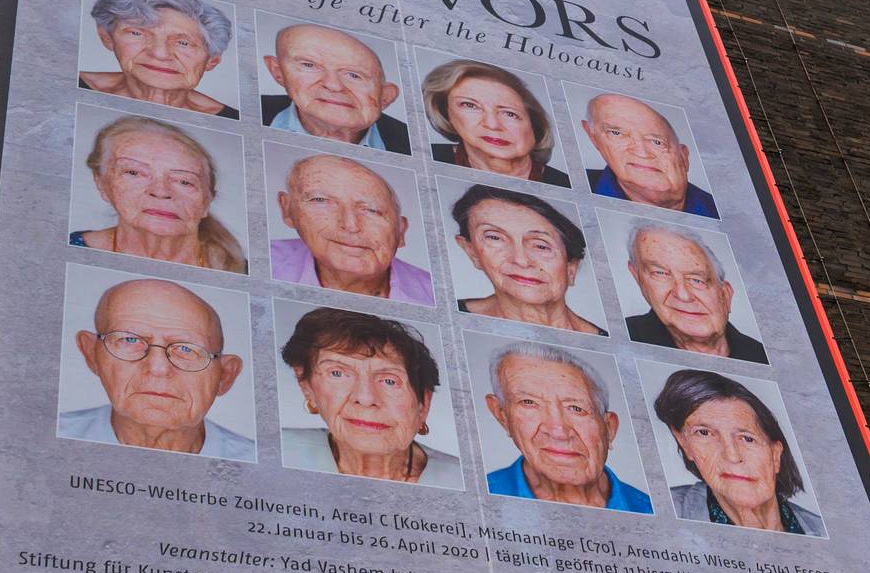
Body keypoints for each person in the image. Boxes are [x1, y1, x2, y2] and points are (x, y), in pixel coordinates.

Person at [59, 277, 253, 459]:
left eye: (186, 349)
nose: (158, 367)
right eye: (130, 339)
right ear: (92, 354)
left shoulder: (253, 459)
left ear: (225, 376)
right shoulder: (43, 434)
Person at [279, 306, 458, 485]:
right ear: (306, 385)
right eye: (337, 373)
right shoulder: (276, 449)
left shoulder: (458, 478)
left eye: (389, 381)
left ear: (424, 404)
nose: (365, 399)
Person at [480, 345, 652, 512]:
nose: (558, 432)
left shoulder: (647, 508)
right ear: (502, 415)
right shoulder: (479, 498)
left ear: (609, 428)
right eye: (529, 403)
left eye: (576, 408)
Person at [70, 115, 244, 273]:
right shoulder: (71, 248)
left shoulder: (239, 270)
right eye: (133, 173)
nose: (161, 192)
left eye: (184, 181)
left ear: (207, 201)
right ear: (101, 182)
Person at [652, 370, 820, 535]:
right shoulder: (658, 508)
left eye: (747, 439)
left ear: (776, 455)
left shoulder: (820, 528)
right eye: (704, 433)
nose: (732, 456)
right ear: (685, 443)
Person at [271, 154, 434, 306]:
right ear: (287, 209)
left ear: (400, 232)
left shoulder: (432, 293)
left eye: (372, 210)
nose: (351, 226)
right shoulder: (265, 260)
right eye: (321, 200)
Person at [450, 185, 603, 335]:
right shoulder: (451, 316)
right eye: (495, 238)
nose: (521, 261)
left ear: (571, 268)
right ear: (472, 252)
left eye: (541, 246)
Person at [79, 0, 239, 118]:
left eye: (183, 43)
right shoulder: (74, 84)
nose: (159, 54)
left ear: (212, 60)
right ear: (107, 38)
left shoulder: (232, 117)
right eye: (137, 33)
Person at [622, 223, 764, 363]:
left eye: (697, 280)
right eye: (660, 273)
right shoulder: (623, 335)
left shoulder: (760, 355)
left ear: (725, 295)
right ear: (637, 276)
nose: (683, 295)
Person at [261, 23, 411, 152]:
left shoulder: (410, 143)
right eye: (309, 65)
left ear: (385, 97)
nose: (333, 86)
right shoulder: (250, 110)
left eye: (354, 75)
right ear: (278, 72)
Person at [423, 60, 569, 186]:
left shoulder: (564, 184)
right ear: (446, 113)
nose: (492, 125)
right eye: (470, 105)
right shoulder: (426, 158)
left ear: (534, 126)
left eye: (509, 114)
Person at [582, 93, 714, 218]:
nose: (642, 153)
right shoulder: (578, 183)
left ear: (684, 157)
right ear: (593, 138)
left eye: (657, 142)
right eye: (616, 133)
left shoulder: (722, 211)